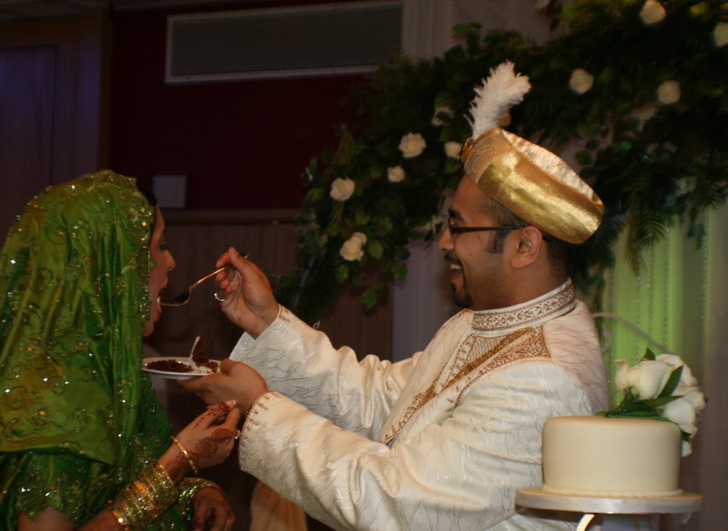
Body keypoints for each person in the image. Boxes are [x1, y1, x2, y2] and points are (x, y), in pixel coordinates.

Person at [182, 63, 610, 530]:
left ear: (524, 246)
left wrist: (260, 408)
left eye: (458, 227)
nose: (444, 243)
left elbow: (399, 504)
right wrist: (267, 323)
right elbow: (382, 403)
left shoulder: (543, 377)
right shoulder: (487, 320)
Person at [0, 170, 241, 531]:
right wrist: (179, 462)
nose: (170, 262)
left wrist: (196, 492)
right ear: (111, 264)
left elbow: (123, 484)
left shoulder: (107, 371)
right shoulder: (56, 408)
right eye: (159, 244)